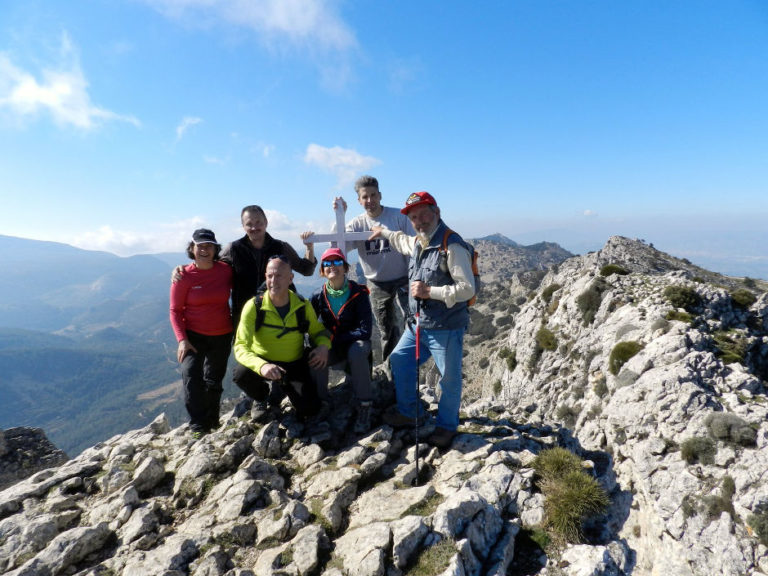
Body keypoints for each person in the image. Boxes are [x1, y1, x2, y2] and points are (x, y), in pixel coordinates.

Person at [369, 191, 476, 448]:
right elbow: (400, 240)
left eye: (423, 214)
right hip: (418, 324)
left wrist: (430, 292)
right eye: (414, 217)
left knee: (448, 378)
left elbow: (467, 289)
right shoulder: (418, 241)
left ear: (436, 212)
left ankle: (447, 426)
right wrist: (382, 232)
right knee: (399, 359)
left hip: (446, 327)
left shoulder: (453, 246)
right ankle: (410, 411)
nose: (419, 221)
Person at [232, 255, 330, 423]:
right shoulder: (254, 306)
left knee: (310, 409)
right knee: (241, 374)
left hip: (294, 364)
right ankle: (262, 397)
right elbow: (240, 345)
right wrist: (261, 366)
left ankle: (281, 388)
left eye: (279, 276)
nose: (273, 280)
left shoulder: (302, 305)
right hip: (264, 361)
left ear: (290, 278)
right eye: (270, 276)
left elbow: (318, 331)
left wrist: (323, 346)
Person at [334, 175, 414, 372]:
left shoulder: (398, 217)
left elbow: (414, 246)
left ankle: (409, 366)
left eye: (373, 195)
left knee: (412, 323)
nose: (369, 201)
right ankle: (391, 369)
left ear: (380, 195)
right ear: (359, 201)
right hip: (377, 283)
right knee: (387, 330)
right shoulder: (357, 224)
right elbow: (337, 245)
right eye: (365, 197)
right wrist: (340, 215)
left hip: (404, 278)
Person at [169, 229, 233, 438]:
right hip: (193, 336)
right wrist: (181, 340)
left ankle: (212, 421)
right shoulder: (183, 276)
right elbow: (175, 311)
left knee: (214, 379)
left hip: (222, 333)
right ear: (192, 248)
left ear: (216, 249)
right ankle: (197, 425)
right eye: (200, 245)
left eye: (209, 246)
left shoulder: (226, 271)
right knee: (191, 376)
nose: (204, 249)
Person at [310, 247, 374, 434]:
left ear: (345, 267)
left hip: (356, 345)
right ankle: (322, 403)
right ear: (322, 270)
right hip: (334, 347)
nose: (332, 266)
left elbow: (365, 331)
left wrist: (333, 338)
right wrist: (322, 344)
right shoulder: (317, 296)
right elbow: (311, 327)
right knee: (315, 354)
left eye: (337, 262)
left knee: (356, 350)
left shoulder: (359, 292)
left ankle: (365, 404)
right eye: (327, 263)